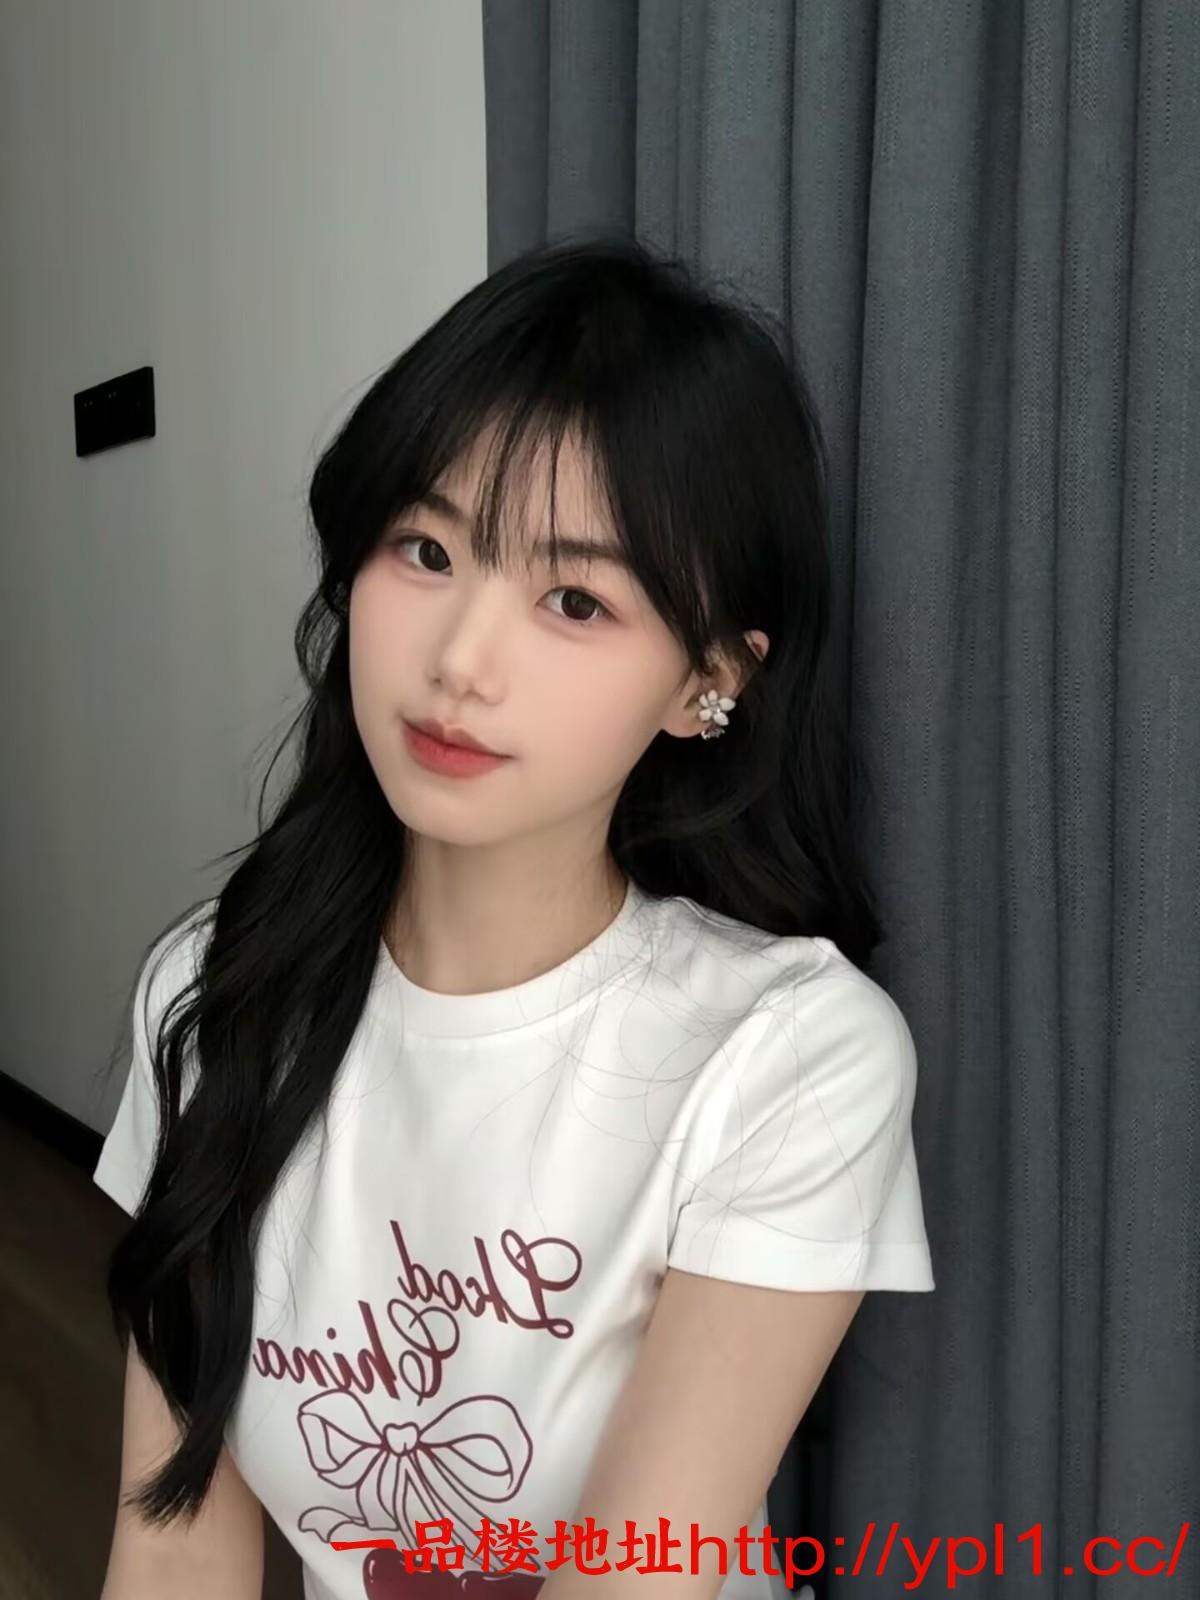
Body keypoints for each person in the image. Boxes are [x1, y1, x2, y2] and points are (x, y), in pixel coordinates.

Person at [92, 234, 935, 1600]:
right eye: (425, 549)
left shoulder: (788, 1052)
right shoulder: (216, 989)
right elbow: (172, 1532)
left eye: (574, 598)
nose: (459, 662)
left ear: (708, 682)